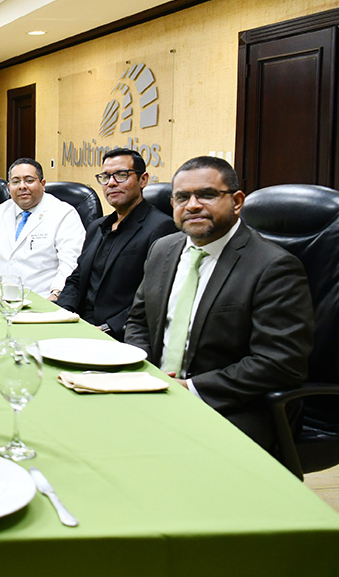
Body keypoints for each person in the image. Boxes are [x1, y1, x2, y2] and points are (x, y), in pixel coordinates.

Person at [124, 156, 314, 449]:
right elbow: (139, 320)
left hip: (234, 405)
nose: (193, 205)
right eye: (182, 197)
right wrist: (145, 369)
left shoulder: (273, 267)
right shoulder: (162, 249)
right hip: (156, 389)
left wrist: (190, 388)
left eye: (207, 195)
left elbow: (280, 362)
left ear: (237, 202)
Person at [56, 148, 177, 340]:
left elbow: (154, 297)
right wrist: (62, 313)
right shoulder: (97, 227)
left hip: (119, 335)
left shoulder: (162, 228)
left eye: (121, 175)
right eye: (105, 177)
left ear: (143, 180)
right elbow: (77, 279)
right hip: (78, 327)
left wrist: (107, 328)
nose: (111, 183)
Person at [0, 158, 85, 299]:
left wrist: (56, 294)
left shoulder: (64, 214)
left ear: (43, 184)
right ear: (9, 187)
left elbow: (71, 263)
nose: (22, 186)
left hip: (44, 298)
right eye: (15, 182)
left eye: (29, 180)